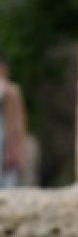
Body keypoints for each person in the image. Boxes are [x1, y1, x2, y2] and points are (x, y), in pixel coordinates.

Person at [0, 55, 28, 188]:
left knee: (9, 176)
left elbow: (17, 122)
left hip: (6, 136)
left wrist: (16, 148)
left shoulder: (11, 90)